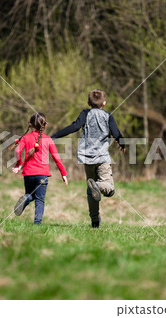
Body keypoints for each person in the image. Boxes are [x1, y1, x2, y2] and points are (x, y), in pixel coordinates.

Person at [51, 89, 125, 228]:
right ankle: (97, 185)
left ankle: (95, 220)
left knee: (91, 190)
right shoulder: (108, 116)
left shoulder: (85, 113)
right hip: (102, 158)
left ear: (88, 102)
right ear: (104, 103)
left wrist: (54, 136)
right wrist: (122, 143)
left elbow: (74, 127)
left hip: (87, 158)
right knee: (109, 189)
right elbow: (116, 133)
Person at [11, 112, 68, 224]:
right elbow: (57, 158)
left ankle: (26, 199)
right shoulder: (48, 139)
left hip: (28, 173)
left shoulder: (25, 138)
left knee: (30, 195)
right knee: (40, 200)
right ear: (45, 125)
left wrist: (19, 164)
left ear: (30, 125)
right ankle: (37, 223)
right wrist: (63, 173)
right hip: (42, 174)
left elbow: (17, 151)